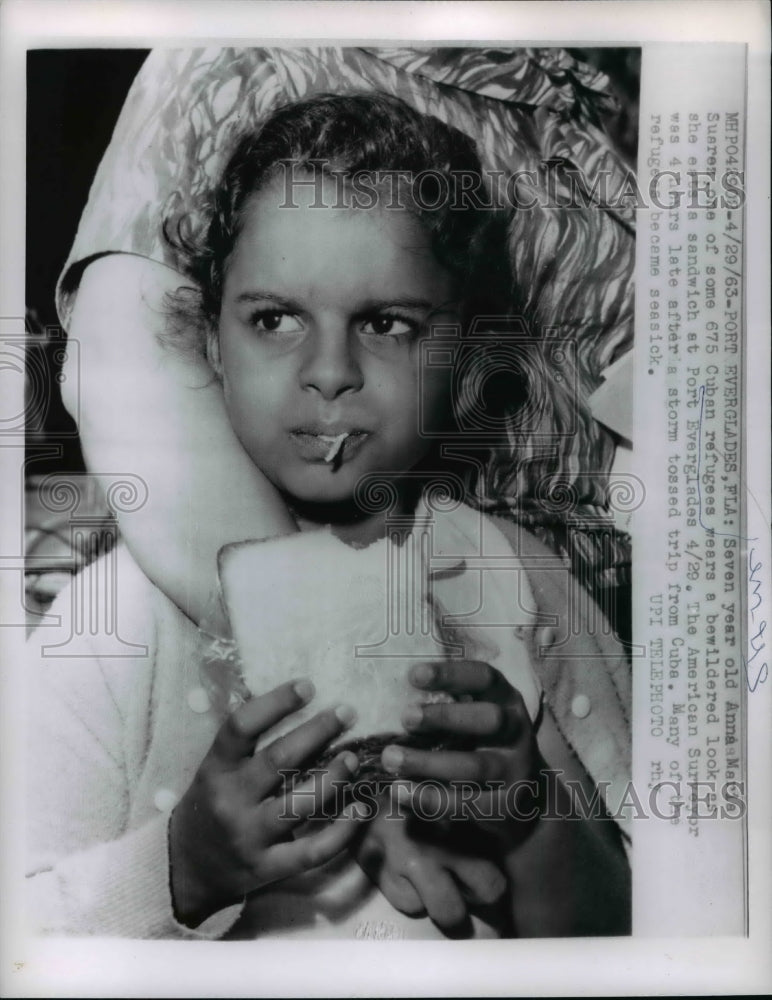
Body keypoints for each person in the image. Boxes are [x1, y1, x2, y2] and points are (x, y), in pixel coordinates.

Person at [28, 90, 631, 940]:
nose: (329, 371)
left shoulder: (518, 581)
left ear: (463, 367)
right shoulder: (112, 628)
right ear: (208, 345)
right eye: (275, 320)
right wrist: (180, 866)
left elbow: (656, 928)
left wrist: (533, 822)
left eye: (385, 324)